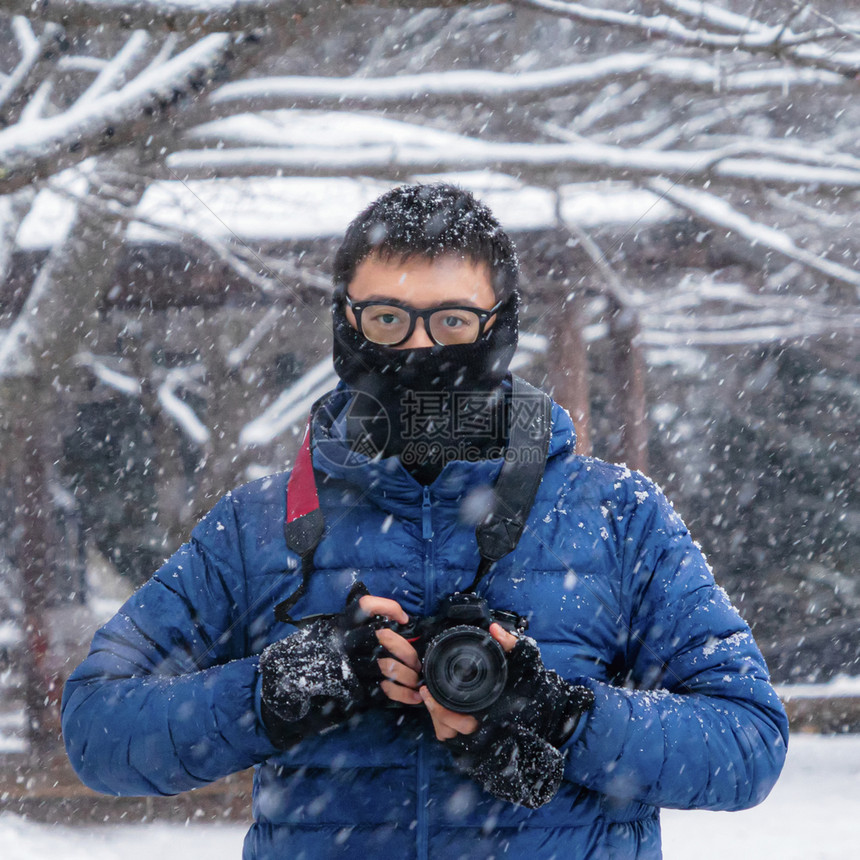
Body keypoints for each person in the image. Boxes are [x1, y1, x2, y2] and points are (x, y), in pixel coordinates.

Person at [62, 184, 788, 859]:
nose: (417, 348)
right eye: (385, 319)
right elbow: (97, 728)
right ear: (345, 324)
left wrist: (560, 717)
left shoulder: (617, 515)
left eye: (451, 322)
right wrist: (273, 691)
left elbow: (748, 743)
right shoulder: (261, 527)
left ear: (500, 327)